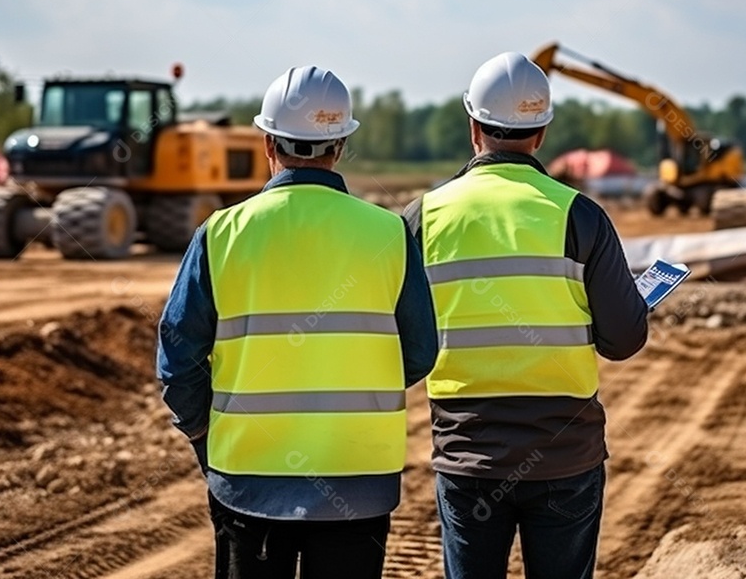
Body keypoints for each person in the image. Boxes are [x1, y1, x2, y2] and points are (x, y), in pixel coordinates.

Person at [157, 65, 439, 579]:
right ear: (341, 146)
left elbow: (178, 357)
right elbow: (420, 351)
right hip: (360, 481)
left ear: (268, 143)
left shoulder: (221, 232)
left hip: (246, 480)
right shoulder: (390, 233)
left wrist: (207, 435)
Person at [402, 52, 648, 579]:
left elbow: (405, 343)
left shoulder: (425, 217)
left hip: (469, 456)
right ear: (541, 133)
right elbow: (624, 339)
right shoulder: (580, 215)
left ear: (473, 128)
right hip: (566, 456)